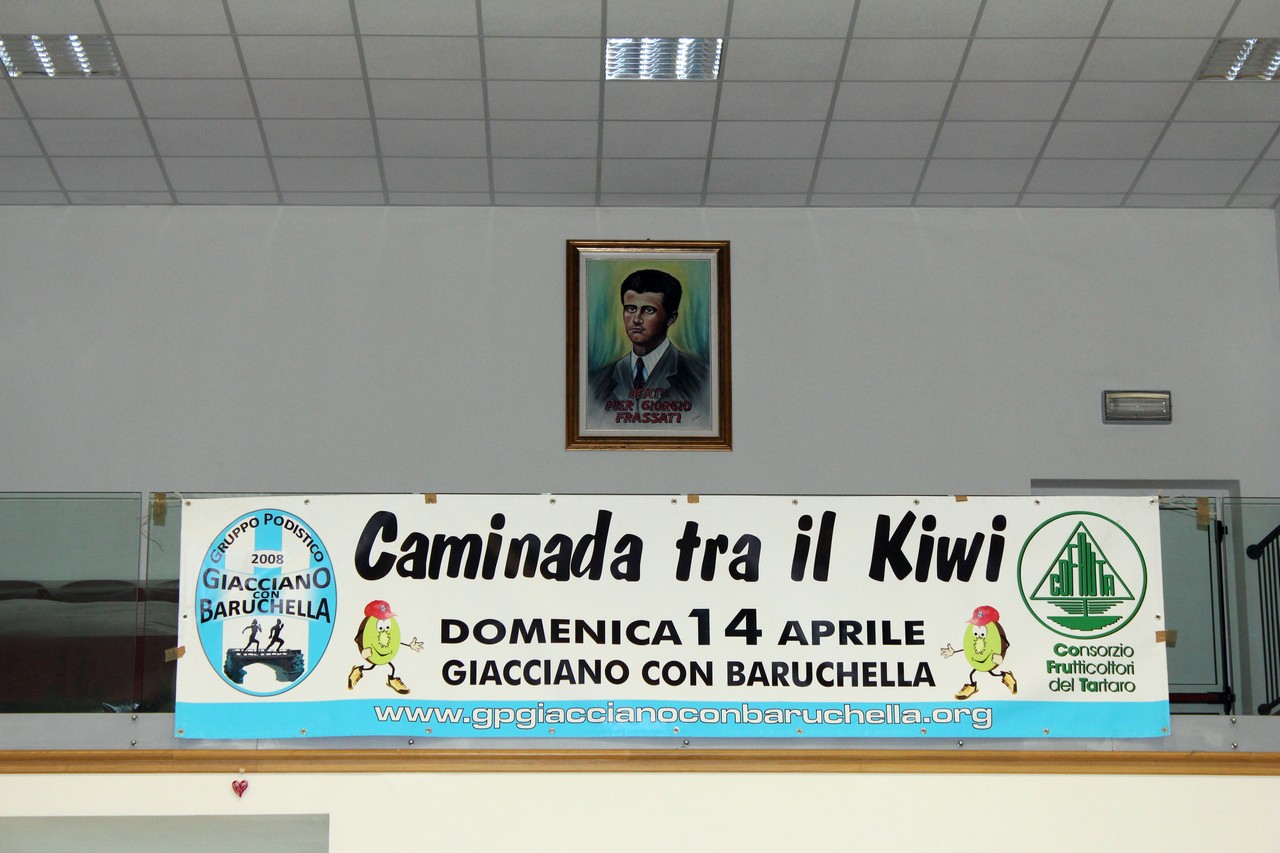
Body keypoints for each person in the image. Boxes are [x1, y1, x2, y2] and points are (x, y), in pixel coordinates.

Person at [588, 269, 709, 428]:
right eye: (630, 309)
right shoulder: (595, 383)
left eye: (648, 310)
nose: (636, 319)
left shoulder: (702, 379)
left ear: (671, 318)